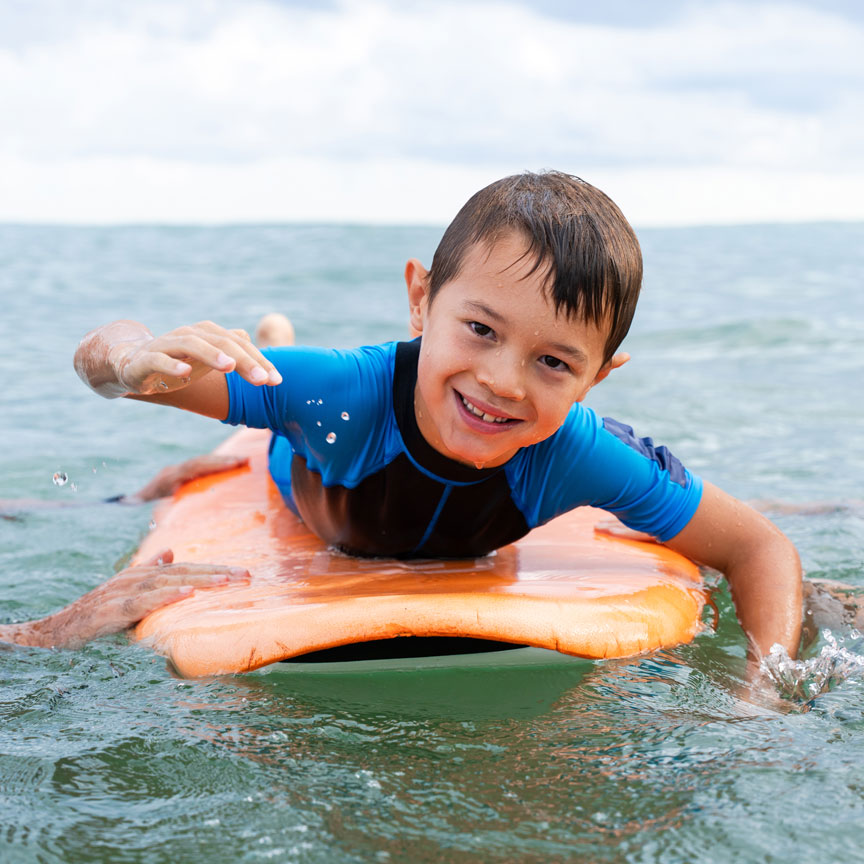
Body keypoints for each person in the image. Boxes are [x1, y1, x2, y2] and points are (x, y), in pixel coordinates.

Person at [62, 171, 803, 670]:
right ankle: (277, 345)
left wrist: (762, 697)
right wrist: (130, 361)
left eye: (554, 363)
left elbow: (760, 548)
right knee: (273, 388)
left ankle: (281, 345)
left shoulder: (580, 455)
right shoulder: (344, 396)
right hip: (309, 445)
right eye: (480, 328)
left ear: (598, 377)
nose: (501, 383)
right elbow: (106, 359)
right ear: (421, 299)